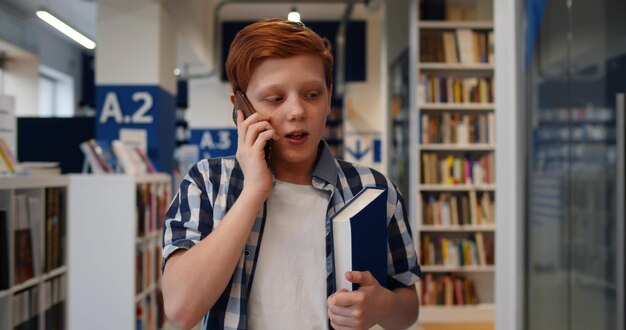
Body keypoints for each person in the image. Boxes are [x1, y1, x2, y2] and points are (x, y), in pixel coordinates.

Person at [161, 18, 421, 330]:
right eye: (275, 98)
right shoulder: (207, 183)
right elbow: (181, 309)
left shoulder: (373, 190)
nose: (297, 111)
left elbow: (408, 307)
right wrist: (254, 190)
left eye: (312, 94)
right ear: (240, 107)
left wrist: (382, 304)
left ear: (328, 97)